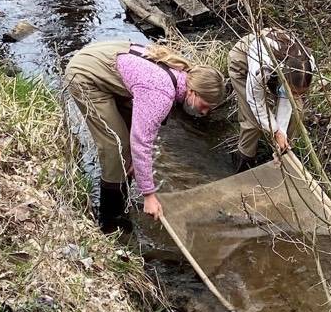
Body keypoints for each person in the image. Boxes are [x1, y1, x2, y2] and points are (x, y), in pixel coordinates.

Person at [65, 40, 225, 233]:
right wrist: (149, 194)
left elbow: (143, 127)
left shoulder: (178, 76)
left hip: (104, 65)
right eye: (205, 105)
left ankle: (121, 207)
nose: (205, 112)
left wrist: (134, 159)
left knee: (127, 149)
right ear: (192, 92)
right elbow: (142, 142)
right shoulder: (162, 93)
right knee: (116, 147)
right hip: (86, 76)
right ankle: (109, 222)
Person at [227, 29, 315, 173]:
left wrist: (281, 134)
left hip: (279, 67)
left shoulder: (308, 64)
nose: (294, 95)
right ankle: (243, 166)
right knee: (253, 123)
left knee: (297, 111)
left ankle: (282, 155)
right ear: (283, 80)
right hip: (244, 59)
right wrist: (275, 131)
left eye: (299, 93)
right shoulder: (261, 68)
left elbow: (288, 102)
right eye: (292, 92)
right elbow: (256, 102)